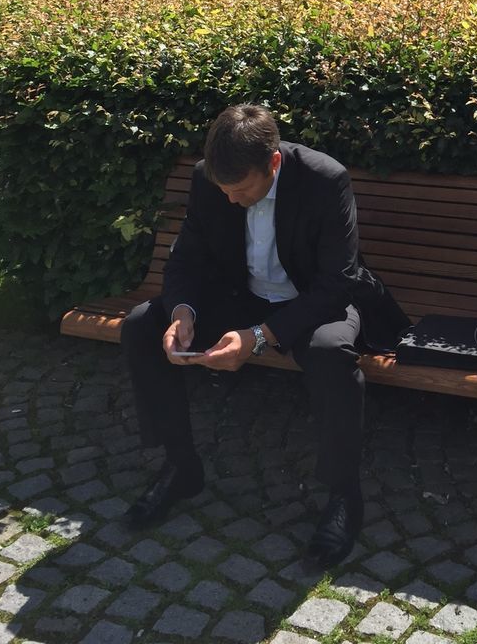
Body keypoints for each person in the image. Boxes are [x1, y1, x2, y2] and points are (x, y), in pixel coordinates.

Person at [121, 105, 408, 568]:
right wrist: (182, 313)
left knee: (330, 353)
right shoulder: (208, 179)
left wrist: (259, 336)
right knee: (141, 323)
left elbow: (339, 280)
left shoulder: (324, 178)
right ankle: (181, 467)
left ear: (272, 163)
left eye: (241, 190)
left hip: (315, 299)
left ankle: (343, 496)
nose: (231, 200)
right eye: (224, 190)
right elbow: (186, 259)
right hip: (243, 296)